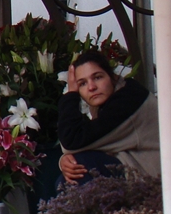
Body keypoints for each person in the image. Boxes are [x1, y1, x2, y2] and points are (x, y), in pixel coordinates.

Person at [57, 49, 161, 187]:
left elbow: (72, 141)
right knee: (73, 170)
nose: (92, 87)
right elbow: (80, 144)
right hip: (143, 169)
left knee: (83, 167)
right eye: (82, 83)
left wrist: (71, 94)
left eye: (98, 77)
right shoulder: (114, 97)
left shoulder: (128, 101)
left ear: (113, 77)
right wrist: (65, 161)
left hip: (167, 186)